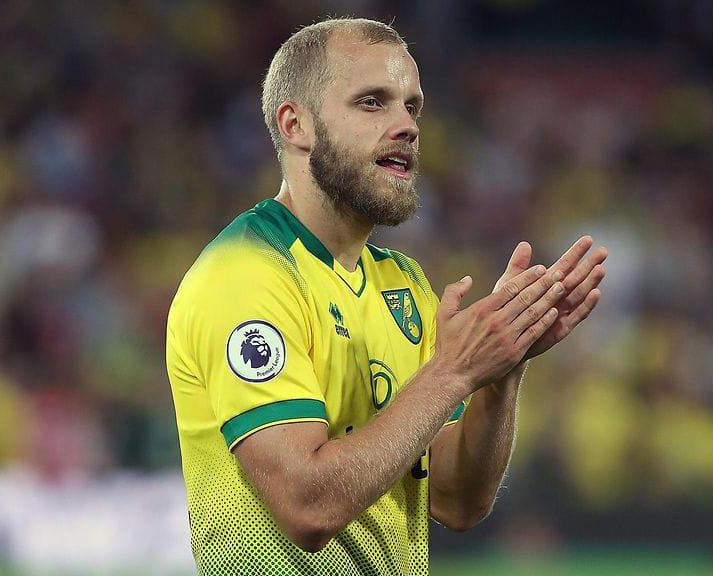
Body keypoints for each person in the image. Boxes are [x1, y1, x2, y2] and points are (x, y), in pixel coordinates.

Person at [166, 16, 607, 575]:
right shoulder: (247, 274)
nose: (407, 126)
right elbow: (307, 506)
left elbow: (456, 501)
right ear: (296, 125)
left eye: (412, 107)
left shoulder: (402, 283)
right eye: (372, 102)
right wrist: (453, 372)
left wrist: (501, 368)